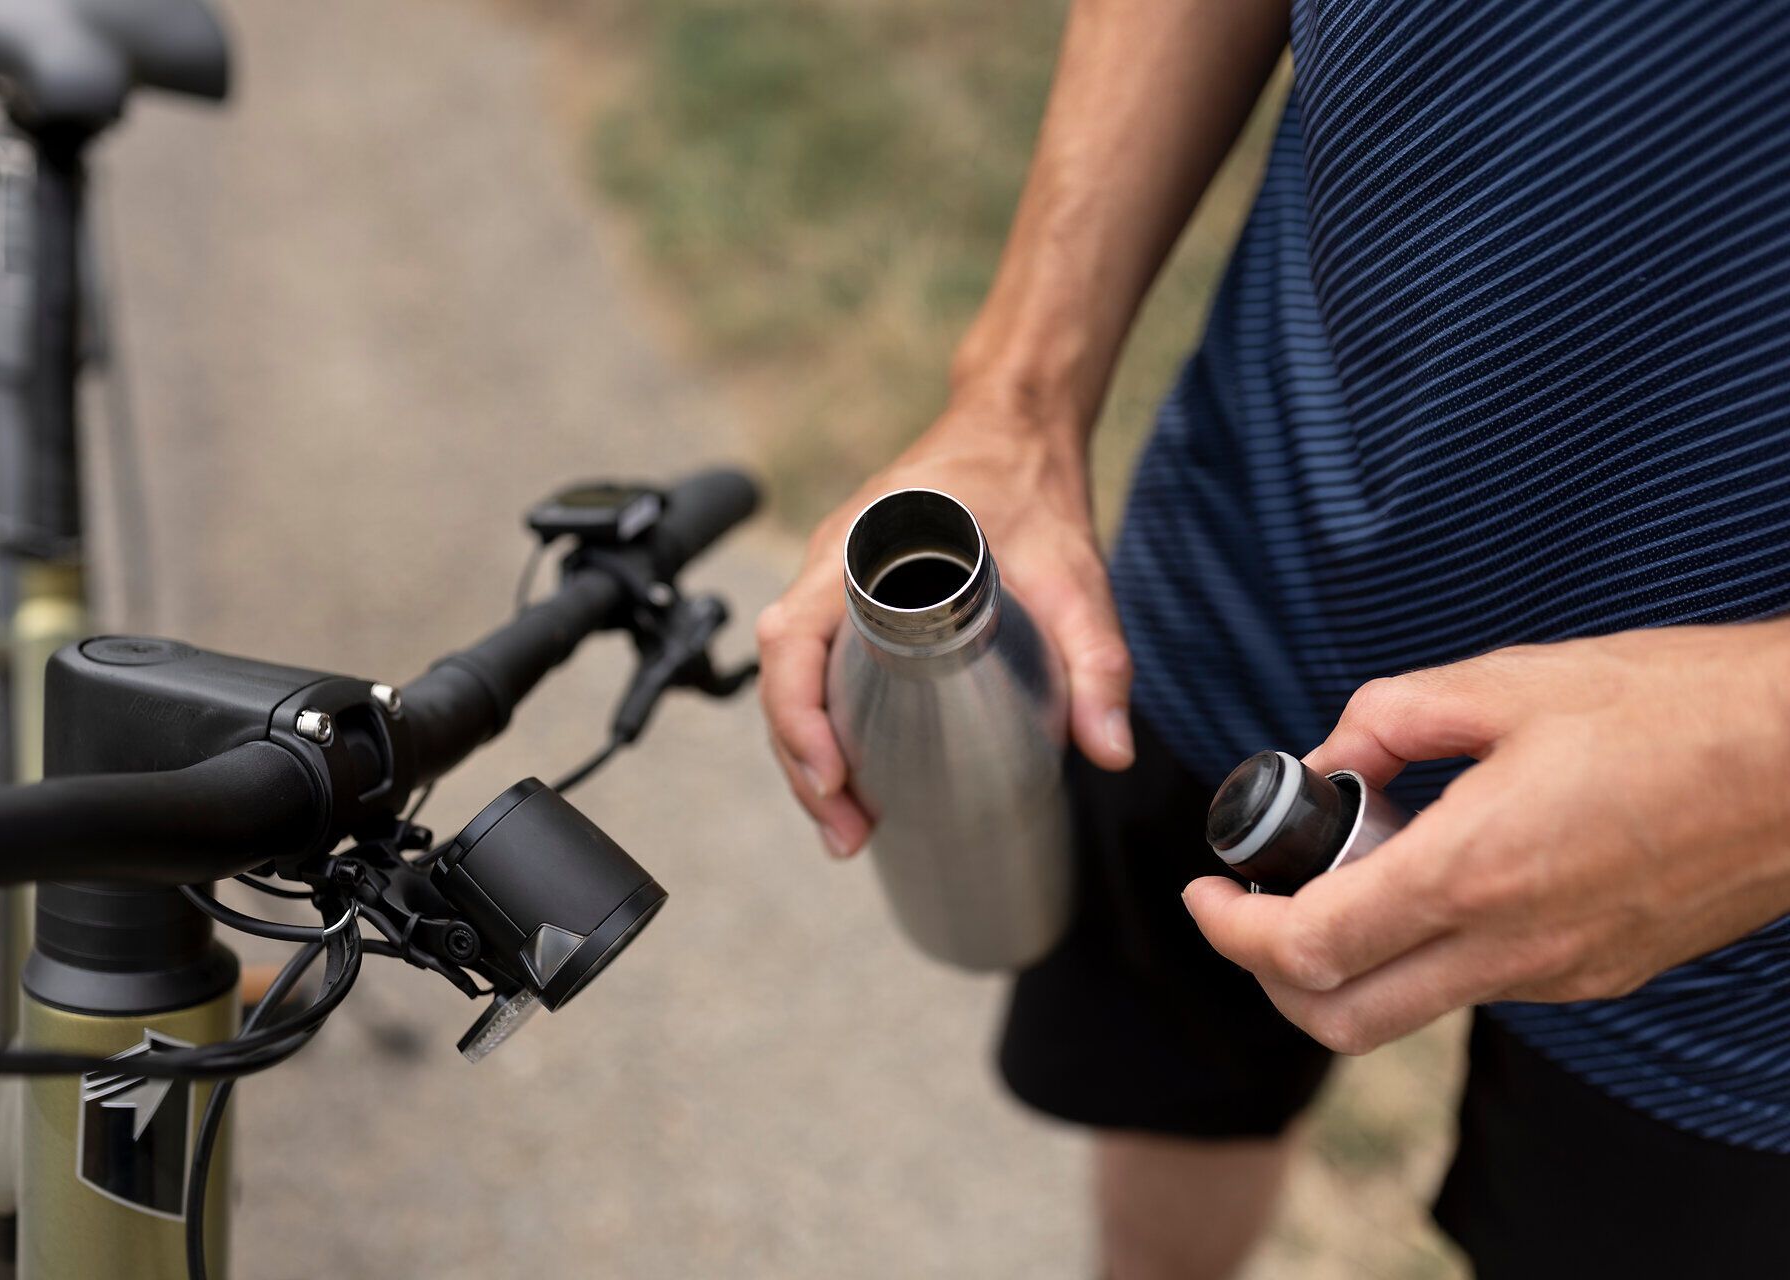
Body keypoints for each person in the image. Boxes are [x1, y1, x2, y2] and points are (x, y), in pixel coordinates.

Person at [754, 0, 1790, 1275]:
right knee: (1171, 1076)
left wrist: (1765, 755)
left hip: (1748, 870)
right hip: (1274, 526)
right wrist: (1017, 389)